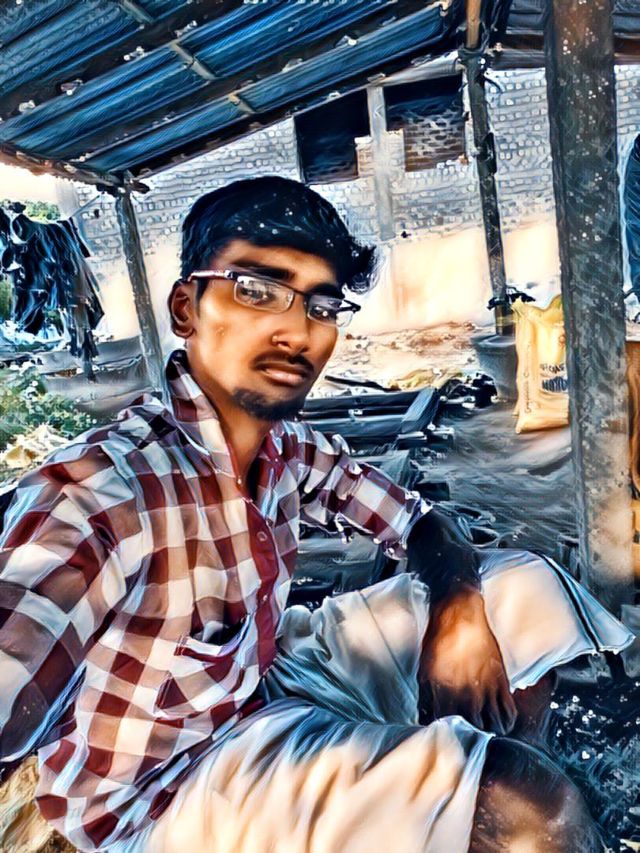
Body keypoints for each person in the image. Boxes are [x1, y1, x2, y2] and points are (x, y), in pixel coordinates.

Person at [0, 177, 631, 852]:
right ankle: (478, 798)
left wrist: (456, 608)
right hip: (170, 792)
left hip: (263, 681)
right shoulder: (98, 493)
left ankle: (466, 780)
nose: (297, 331)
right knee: (524, 805)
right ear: (186, 308)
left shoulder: (284, 446)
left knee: (521, 592)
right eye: (256, 290)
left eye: (322, 306)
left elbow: (421, 522)